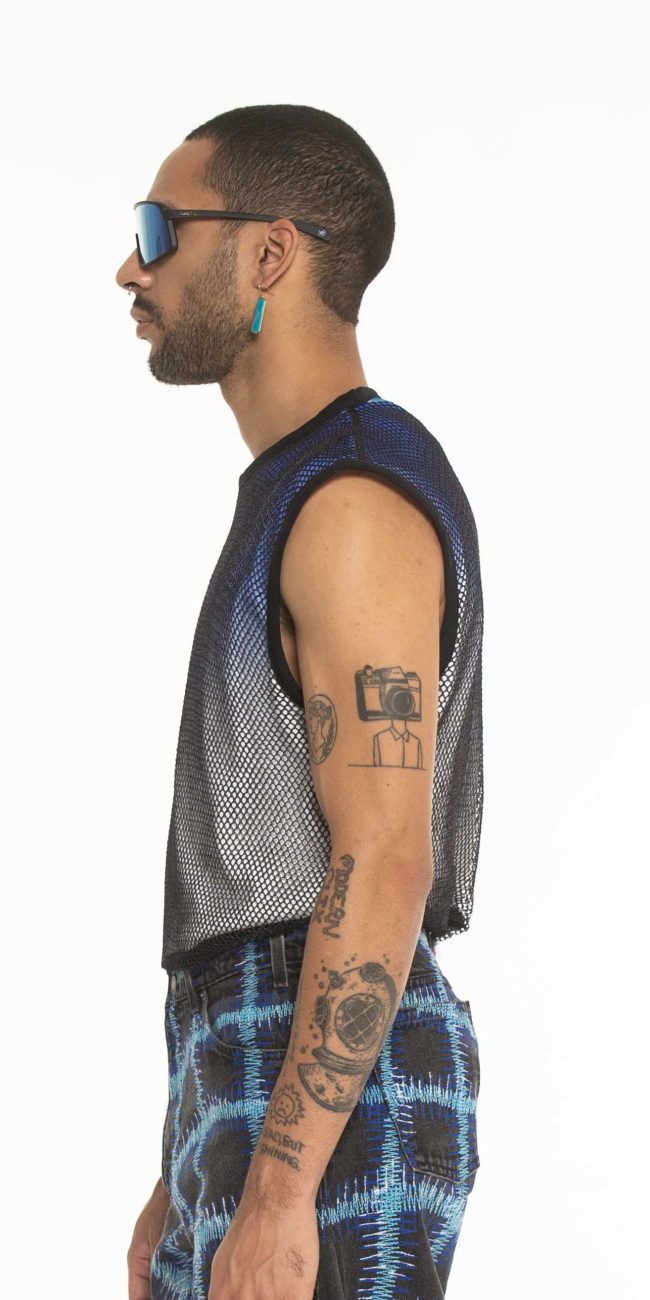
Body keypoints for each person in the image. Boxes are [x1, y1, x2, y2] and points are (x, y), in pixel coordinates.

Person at [116, 103, 484, 1300]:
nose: (131, 267)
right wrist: (183, 1164)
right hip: (256, 1073)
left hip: (329, 1104)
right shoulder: (301, 487)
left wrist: (277, 1192)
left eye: (159, 229)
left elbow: (381, 857)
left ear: (269, 252)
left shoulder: (352, 502)